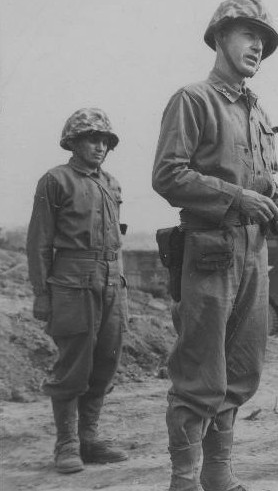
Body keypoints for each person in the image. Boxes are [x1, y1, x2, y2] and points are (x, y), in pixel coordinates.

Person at [152, 0, 278, 491]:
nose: (257, 45)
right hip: (210, 251)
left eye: (263, 39)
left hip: (254, 252)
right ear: (219, 37)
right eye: (246, 33)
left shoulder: (257, 111)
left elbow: (264, 178)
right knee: (200, 367)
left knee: (242, 366)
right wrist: (237, 197)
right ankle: (185, 478)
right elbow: (168, 175)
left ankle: (218, 473)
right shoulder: (193, 100)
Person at [26, 108, 129, 474]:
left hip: (112, 280)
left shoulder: (112, 183)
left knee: (106, 360)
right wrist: (42, 293)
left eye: (104, 140)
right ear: (73, 142)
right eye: (91, 138)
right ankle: (66, 444)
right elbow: (39, 240)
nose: (99, 146)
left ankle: (89, 438)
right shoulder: (56, 181)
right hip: (72, 279)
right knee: (74, 363)